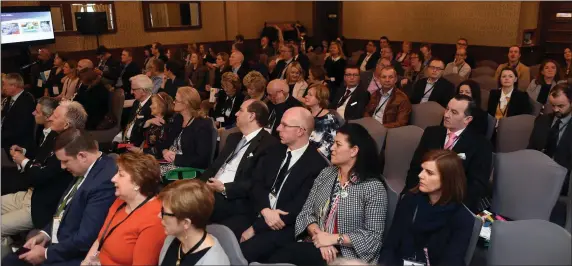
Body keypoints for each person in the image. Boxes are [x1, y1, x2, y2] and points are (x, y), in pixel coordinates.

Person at [268, 123, 388, 265]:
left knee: (285, 255)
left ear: (354, 150)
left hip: (348, 255)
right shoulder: (327, 174)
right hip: (316, 243)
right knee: (275, 249)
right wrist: (321, 238)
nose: (332, 148)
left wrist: (333, 239)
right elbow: (306, 212)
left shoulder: (373, 187)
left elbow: (373, 238)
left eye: (338, 144)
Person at [2, 128, 117, 266]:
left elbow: (85, 239)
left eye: (65, 161)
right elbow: (64, 209)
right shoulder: (86, 168)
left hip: (72, 254)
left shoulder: (103, 182)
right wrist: (45, 234)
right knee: (10, 261)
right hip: (58, 240)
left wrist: (46, 254)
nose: (62, 167)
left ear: (82, 156)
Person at [235, 107, 329, 262]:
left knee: (244, 252)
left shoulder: (316, 165)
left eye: (284, 125)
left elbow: (297, 209)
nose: (278, 128)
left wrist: (256, 228)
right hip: (260, 211)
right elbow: (256, 184)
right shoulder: (274, 150)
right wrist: (265, 210)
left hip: (284, 226)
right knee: (225, 234)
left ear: (300, 131)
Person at [2, 99, 80, 243]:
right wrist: (26, 158)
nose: (50, 118)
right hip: (30, 194)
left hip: (40, 206)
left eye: (55, 117)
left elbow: (41, 175)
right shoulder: (54, 135)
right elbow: (39, 161)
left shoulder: (68, 149)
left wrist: (24, 161)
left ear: (67, 125)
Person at [381, 149, 474, 266]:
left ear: (447, 179)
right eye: (422, 170)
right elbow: (390, 246)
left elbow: (451, 261)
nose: (420, 175)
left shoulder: (461, 217)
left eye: (429, 173)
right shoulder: (410, 201)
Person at [405, 95, 493, 212]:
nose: (446, 115)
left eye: (454, 112)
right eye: (447, 109)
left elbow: (476, 186)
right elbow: (415, 168)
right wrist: (414, 195)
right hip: (423, 195)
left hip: (454, 204)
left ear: (467, 119)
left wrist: (444, 203)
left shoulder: (481, 144)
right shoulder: (431, 133)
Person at [81, 153, 165, 266]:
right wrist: (85, 263)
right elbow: (100, 239)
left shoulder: (154, 219)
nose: (113, 179)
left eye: (120, 174)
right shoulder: (121, 200)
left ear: (137, 183)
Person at [202, 99, 279, 221]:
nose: (236, 114)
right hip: (210, 188)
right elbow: (214, 167)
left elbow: (256, 182)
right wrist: (198, 184)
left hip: (233, 198)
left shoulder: (269, 144)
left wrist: (224, 188)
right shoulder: (233, 138)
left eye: (241, 110)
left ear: (251, 116)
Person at [158, 179, 230, 265]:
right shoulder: (171, 239)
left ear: (186, 223)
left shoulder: (213, 262)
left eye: (164, 213)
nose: (159, 215)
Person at [158, 87, 214, 176]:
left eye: (176, 100)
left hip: (187, 170)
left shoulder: (202, 124)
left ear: (186, 104)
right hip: (170, 164)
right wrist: (165, 151)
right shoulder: (178, 119)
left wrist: (176, 158)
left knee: (148, 175)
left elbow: (202, 159)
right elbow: (164, 142)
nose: (173, 102)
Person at [528, 83, 572, 182]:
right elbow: (531, 149)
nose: (556, 110)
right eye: (553, 105)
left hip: (565, 180)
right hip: (538, 174)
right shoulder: (542, 120)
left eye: (561, 106)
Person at [113, 75, 153, 148]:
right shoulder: (137, 103)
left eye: (134, 89)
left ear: (143, 91)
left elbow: (143, 135)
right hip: (125, 141)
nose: (131, 92)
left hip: (135, 148)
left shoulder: (153, 107)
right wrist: (118, 139)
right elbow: (129, 124)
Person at [1, 73, 36, 157]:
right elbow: (4, 118)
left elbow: (21, 129)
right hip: (7, 136)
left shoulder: (27, 101)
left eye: (4, 85)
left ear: (14, 86)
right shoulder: (10, 98)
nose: (3, 88)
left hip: (17, 143)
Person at [130, 92, 174, 156]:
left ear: (161, 106)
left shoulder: (165, 125)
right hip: (143, 154)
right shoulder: (150, 120)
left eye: (152, 104)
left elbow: (159, 150)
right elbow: (135, 136)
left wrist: (139, 151)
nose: (150, 106)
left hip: (152, 159)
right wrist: (147, 122)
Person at [304, 84, 341, 158]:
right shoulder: (304, 114)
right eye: (307, 94)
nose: (306, 96)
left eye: (310, 95)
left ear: (319, 99)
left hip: (316, 157)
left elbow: (329, 146)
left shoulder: (330, 119)